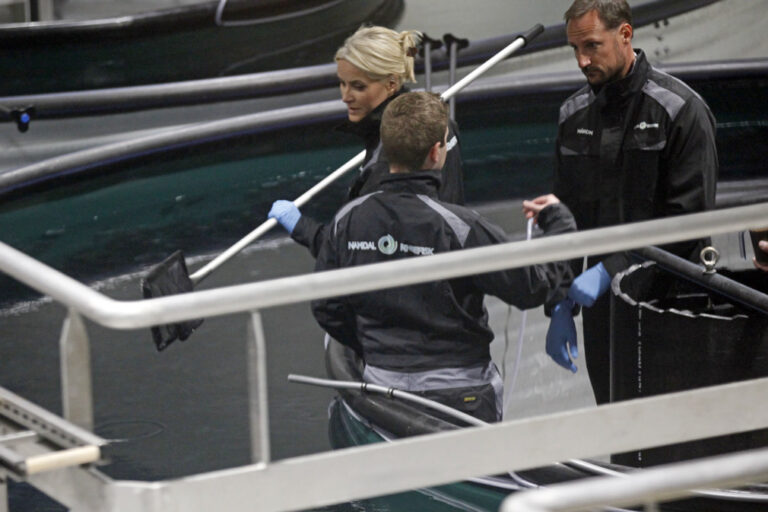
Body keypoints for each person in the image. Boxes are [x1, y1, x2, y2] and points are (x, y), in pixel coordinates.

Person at [311, 92, 577, 423]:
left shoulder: (347, 220)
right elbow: (532, 287)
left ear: (386, 147)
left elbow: (326, 306)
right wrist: (561, 224)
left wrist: (376, 348)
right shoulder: (462, 228)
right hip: (461, 395)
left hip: (381, 387)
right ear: (437, 152)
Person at [524, 0, 718, 405]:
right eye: (575, 49)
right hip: (603, 312)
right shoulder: (573, 116)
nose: (582, 60)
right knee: (614, 418)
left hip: (671, 303)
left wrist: (607, 271)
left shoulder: (680, 110)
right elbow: (566, 219)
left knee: (675, 425)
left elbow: (688, 221)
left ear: (625, 34)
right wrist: (560, 301)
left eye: (592, 46)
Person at [268, 25, 465, 257]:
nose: (345, 96)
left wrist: (301, 227)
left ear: (391, 84)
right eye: (342, 83)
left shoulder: (389, 160)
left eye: (358, 86)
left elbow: (349, 250)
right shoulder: (440, 121)